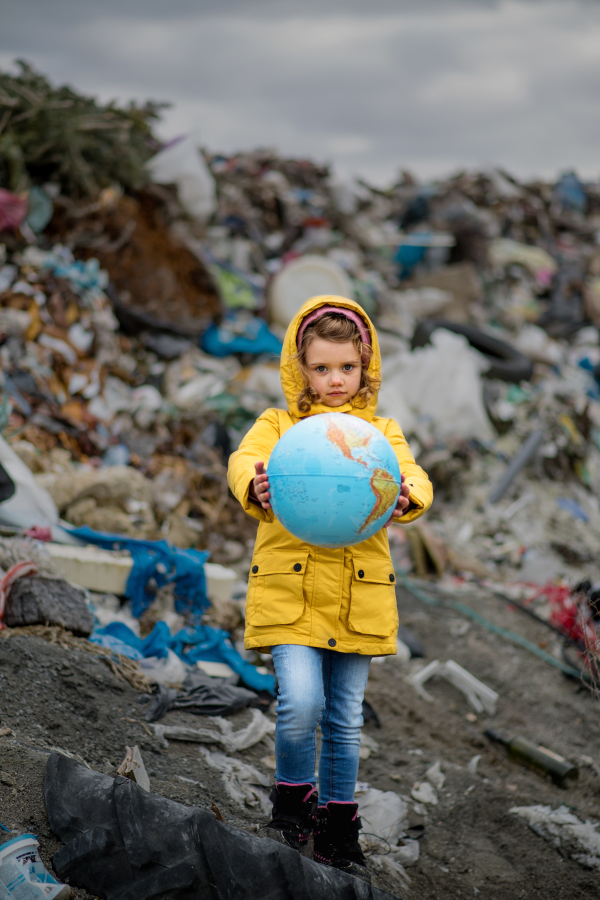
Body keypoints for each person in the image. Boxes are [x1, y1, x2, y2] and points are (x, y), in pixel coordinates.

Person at [227, 295, 433, 882]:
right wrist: (255, 485)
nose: (335, 380)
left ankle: (339, 829)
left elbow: (415, 475)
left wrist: (405, 495)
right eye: (321, 368)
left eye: (346, 367)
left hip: (357, 596)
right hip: (291, 592)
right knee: (300, 705)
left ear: (365, 367)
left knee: (344, 719)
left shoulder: (380, 432)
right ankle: (293, 807)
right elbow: (243, 460)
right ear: (301, 368)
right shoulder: (279, 426)